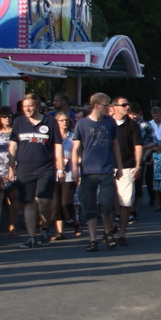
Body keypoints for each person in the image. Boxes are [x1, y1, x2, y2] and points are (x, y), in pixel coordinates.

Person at [68, 93, 119, 252]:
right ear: (96, 105)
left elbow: (115, 145)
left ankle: (107, 232)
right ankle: (92, 238)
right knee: (89, 206)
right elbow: (76, 148)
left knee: (105, 203)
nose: (108, 108)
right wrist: (75, 169)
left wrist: (120, 166)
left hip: (106, 169)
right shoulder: (82, 124)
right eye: (105, 105)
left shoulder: (110, 123)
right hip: (88, 171)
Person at [13, 94, 59, 247]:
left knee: (43, 202)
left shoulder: (50, 122)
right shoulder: (19, 122)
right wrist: (10, 166)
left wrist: (61, 167)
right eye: (25, 106)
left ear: (38, 106)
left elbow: (58, 144)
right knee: (28, 203)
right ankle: (32, 237)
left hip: (46, 168)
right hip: (25, 168)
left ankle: (45, 227)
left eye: (30, 106)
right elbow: (13, 145)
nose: (27, 109)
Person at [111, 97, 143, 243]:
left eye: (127, 104)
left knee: (126, 201)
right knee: (107, 199)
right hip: (107, 166)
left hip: (127, 166)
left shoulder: (133, 125)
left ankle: (122, 234)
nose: (126, 107)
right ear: (114, 107)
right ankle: (110, 227)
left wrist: (138, 165)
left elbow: (138, 146)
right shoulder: (107, 123)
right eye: (123, 104)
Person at [50, 109, 80, 239]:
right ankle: (59, 232)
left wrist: (77, 169)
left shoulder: (73, 136)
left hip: (69, 173)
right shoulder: (52, 137)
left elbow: (78, 154)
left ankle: (75, 223)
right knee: (56, 204)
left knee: (66, 202)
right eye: (61, 120)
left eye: (67, 120)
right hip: (54, 173)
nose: (65, 122)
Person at [0, 109, 18, 236]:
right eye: (4, 116)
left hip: (14, 167)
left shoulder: (16, 131)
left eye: (9, 116)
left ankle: (13, 226)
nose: (7, 119)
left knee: (13, 198)